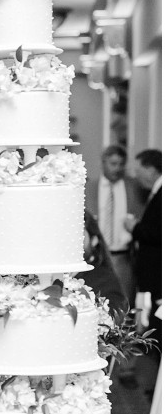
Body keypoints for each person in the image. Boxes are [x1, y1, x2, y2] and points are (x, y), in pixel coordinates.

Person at [86, 145, 143, 306]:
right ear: (102, 163)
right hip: (97, 257)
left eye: (121, 164)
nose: (117, 168)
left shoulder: (134, 188)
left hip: (124, 257)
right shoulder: (89, 188)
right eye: (113, 163)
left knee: (124, 303)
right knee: (98, 301)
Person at [126, 149, 162, 347]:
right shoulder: (155, 192)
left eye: (139, 170)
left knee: (155, 324)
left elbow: (158, 233)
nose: (136, 176)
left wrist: (135, 228)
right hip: (152, 275)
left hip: (158, 274)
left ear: (150, 169)